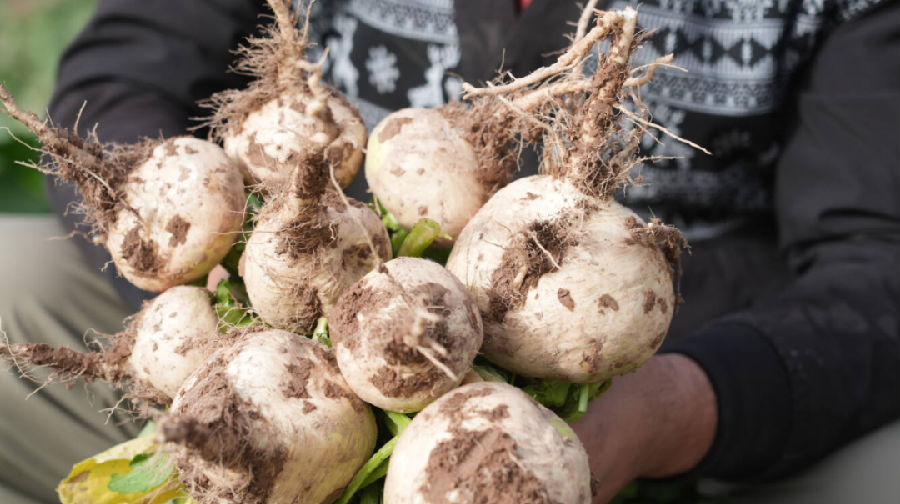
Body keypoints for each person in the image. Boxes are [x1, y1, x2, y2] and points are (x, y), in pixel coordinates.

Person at [0, 0, 896, 502]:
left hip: (688, 374)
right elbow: (124, 69)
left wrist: (672, 412)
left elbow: (879, 265)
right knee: (13, 283)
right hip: (286, 358)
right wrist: (209, 260)